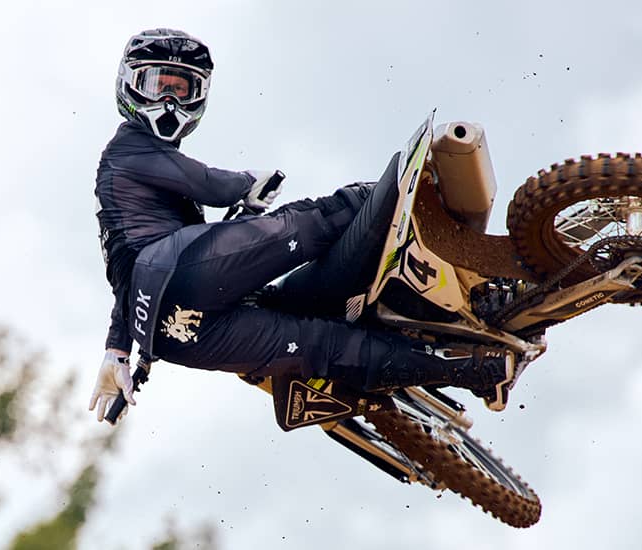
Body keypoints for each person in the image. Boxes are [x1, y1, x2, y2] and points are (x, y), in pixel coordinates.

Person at [88, 29, 527, 424]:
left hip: (170, 336)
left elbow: (127, 273)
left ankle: (477, 369)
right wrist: (248, 183)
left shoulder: (127, 192)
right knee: (317, 218)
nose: (169, 101)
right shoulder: (128, 147)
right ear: (129, 86)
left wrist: (118, 349)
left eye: (181, 89)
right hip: (183, 274)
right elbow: (208, 185)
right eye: (157, 85)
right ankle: (458, 248)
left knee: (321, 345)